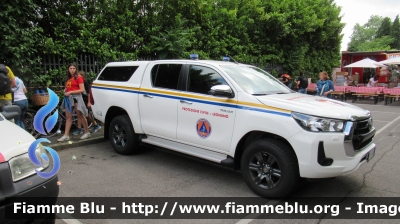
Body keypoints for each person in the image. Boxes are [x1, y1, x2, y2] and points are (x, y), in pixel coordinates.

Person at [58, 63, 90, 142]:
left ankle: (87, 132)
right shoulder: (68, 78)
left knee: (80, 115)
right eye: (70, 68)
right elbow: (68, 87)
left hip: (76, 98)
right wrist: (65, 90)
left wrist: (71, 92)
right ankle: (66, 135)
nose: (72, 70)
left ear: (76, 69)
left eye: (73, 68)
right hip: (69, 99)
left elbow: (82, 90)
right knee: (68, 117)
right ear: (68, 69)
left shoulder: (79, 77)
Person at [72, 71, 101, 135]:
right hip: (80, 99)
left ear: (83, 76)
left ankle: (96, 125)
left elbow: (89, 93)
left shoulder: (85, 82)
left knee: (87, 114)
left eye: (80, 75)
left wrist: (89, 102)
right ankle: (79, 128)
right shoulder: (78, 82)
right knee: (80, 113)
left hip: (85, 99)